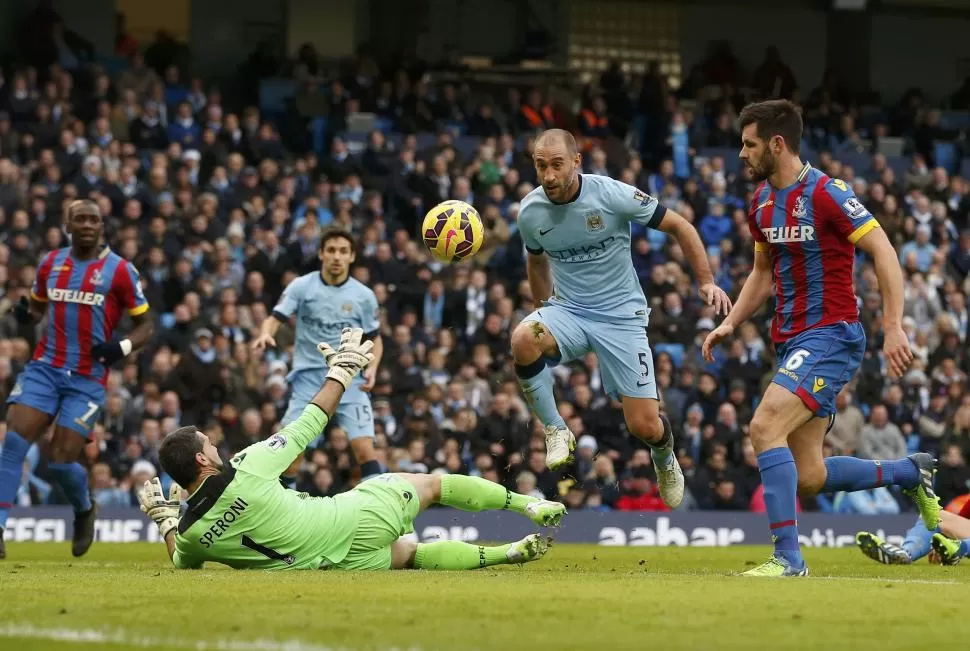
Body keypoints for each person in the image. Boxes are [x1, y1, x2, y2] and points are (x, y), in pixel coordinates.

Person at [702, 99, 940, 577]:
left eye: (749, 144)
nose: (741, 154)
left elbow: (884, 250)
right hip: (791, 342)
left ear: (777, 143)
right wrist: (732, 322)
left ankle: (788, 559)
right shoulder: (761, 203)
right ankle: (909, 472)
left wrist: (893, 325)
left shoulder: (828, 193)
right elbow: (762, 272)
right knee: (808, 476)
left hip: (831, 334)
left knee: (764, 426)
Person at [139, 328, 564, 571]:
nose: (216, 446)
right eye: (209, 446)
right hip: (353, 517)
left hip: (328, 566)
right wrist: (341, 371)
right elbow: (310, 422)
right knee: (432, 486)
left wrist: (164, 518)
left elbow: (180, 560)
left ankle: (506, 554)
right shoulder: (247, 466)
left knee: (411, 556)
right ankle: (527, 505)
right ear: (201, 459)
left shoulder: (193, 533)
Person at [512, 128, 731, 510]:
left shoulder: (611, 195)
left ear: (577, 162)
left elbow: (681, 225)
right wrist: (543, 308)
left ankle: (664, 458)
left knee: (645, 426)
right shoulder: (530, 212)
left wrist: (706, 282)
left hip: (620, 318)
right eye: (541, 166)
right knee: (523, 337)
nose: (548, 175)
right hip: (570, 311)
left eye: (557, 165)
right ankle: (555, 429)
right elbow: (536, 260)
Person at [0, 199, 154, 559]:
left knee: (61, 459)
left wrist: (123, 347)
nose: (87, 225)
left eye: (93, 220)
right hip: (44, 369)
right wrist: (26, 314)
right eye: (80, 219)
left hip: (87, 378)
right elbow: (37, 306)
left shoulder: (120, 270)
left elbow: (146, 323)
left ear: (102, 227)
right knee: (13, 446)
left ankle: (84, 509)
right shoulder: (50, 263)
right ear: (67, 224)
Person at [253, 228, 384, 483]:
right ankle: (283, 510)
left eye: (343, 251)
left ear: (352, 257)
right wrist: (266, 333)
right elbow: (275, 317)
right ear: (322, 254)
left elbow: (375, 339)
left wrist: (373, 368)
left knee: (365, 449)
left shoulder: (364, 296)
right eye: (332, 250)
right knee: (291, 451)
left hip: (351, 378)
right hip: (309, 379)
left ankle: (379, 511)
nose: (337, 256)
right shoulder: (302, 287)